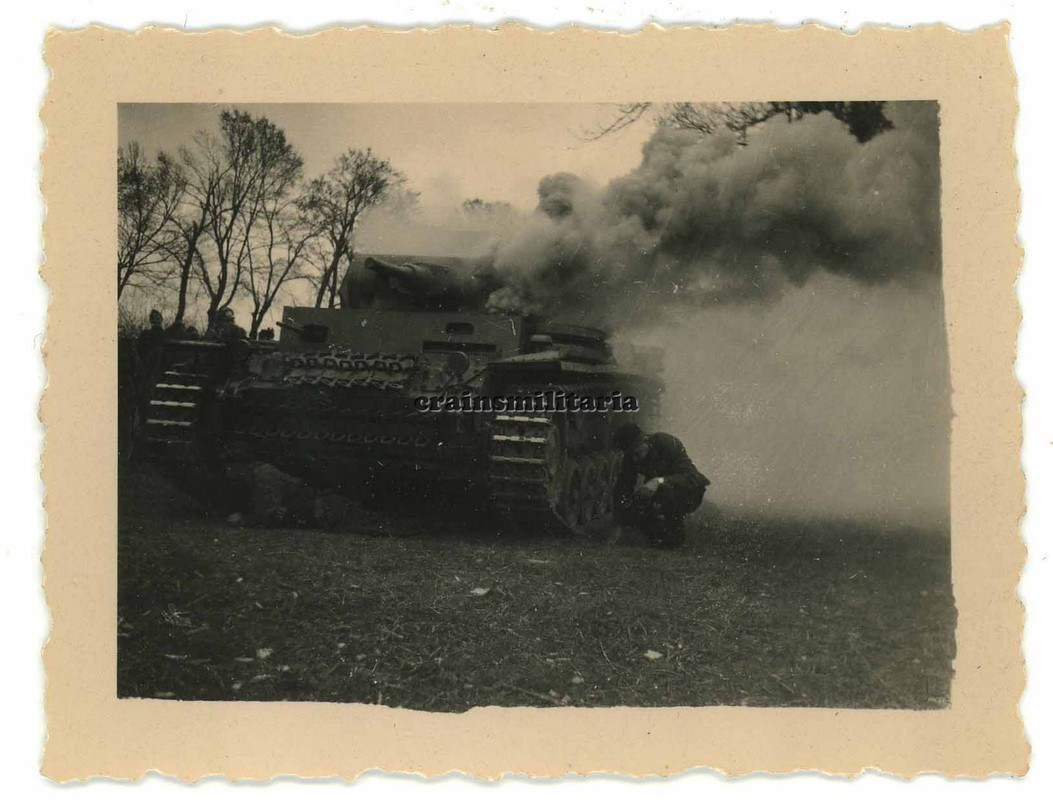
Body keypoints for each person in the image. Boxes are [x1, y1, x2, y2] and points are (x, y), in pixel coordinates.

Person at [612, 423, 710, 548]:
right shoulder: (632, 456)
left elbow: (690, 477)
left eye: (637, 453)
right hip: (660, 493)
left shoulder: (667, 443)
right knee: (636, 504)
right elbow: (623, 488)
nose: (635, 459)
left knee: (667, 493)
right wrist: (618, 521)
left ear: (645, 441)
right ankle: (658, 535)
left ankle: (676, 532)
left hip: (688, 492)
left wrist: (659, 481)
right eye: (632, 456)